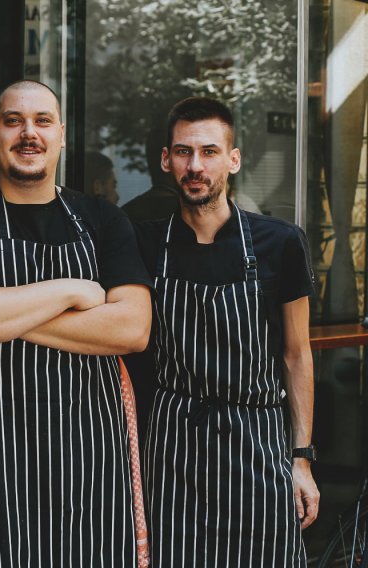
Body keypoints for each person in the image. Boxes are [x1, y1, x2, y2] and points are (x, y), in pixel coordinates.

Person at [0, 80, 152, 566]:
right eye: (13, 121)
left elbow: (131, 329)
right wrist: (70, 293)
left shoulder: (104, 221)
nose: (29, 133)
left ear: (61, 135)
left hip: (89, 463)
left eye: (43, 121)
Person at [137, 97, 320, 566]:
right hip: (172, 445)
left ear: (233, 160)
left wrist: (301, 458)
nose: (195, 166)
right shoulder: (145, 242)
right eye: (183, 152)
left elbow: (296, 354)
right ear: (165, 159)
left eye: (209, 152)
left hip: (256, 440)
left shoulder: (279, 242)